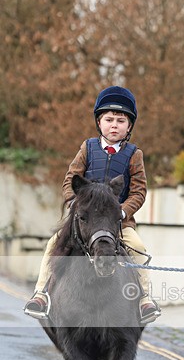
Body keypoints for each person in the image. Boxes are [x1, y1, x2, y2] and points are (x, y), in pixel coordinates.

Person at [24, 86, 161, 326]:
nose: (114, 125)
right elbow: (70, 179)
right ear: (99, 122)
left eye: (121, 121)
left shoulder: (134, 154)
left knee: (138, 247)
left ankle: (145, 299)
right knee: (54, 243)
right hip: (85, 219)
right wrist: (76, 203)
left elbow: (139, 191)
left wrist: (122, 211)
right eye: (109, 120)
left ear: (129, 126)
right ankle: (41, 294)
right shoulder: (87, 148)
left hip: (118, 222)